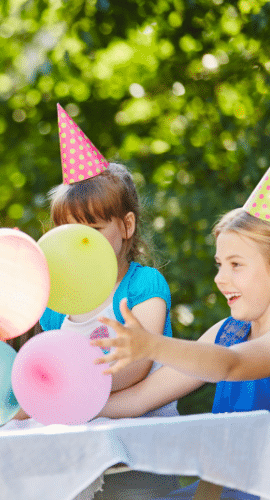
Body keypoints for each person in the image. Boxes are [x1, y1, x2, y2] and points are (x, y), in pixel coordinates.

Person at [95, 139, 270, 500]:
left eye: (236, 265)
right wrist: (56, 410)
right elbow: (140, 400)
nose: (220, 278)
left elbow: (230, 366)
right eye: (219, 265)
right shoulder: (228, 333)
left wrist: (151, 345)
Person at [39, 104, 177, 417]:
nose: (80, 242)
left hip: (145, 437)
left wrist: (71, 387)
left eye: (95, 229)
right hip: (84, 439)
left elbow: (138, 363)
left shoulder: (143, 285)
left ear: (127, 225)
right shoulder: (56, 304)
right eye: (70, 231)